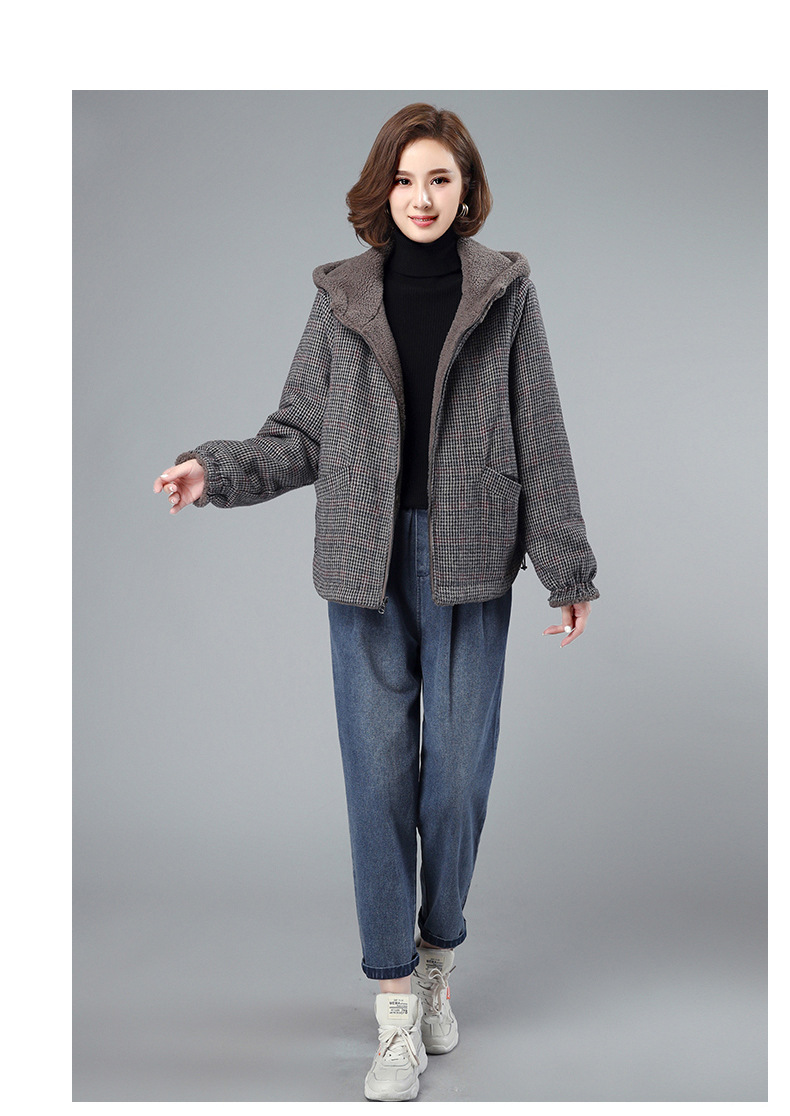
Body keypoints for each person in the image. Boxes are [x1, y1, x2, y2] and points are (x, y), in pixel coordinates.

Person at [153, 102, 599, 1102]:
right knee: (378, 786)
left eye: (439, 179)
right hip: (365, 565)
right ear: (381, 189)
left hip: (472, 560)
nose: (421, 198)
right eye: (405, 180)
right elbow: (296, 436)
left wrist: (567, 568)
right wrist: (212, 469)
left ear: (465, 189)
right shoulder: (342, 296)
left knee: (456, 783)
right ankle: (394, 1005)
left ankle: (438, 956)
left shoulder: (506, 291)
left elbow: (541, 433)